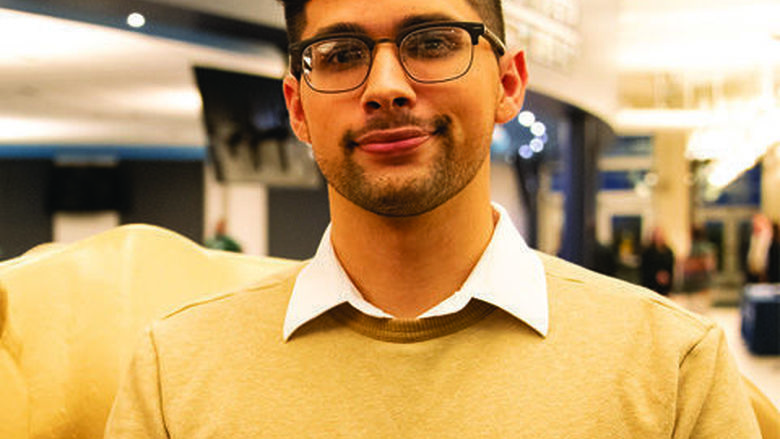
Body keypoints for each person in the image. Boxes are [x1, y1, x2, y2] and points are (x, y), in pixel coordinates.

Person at [104, 0, 761, 437]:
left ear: (508, 84)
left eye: (434, 42)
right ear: (297, 109)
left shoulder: (672, 366)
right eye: (339, 53)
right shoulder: (176, 372)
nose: (386, 85)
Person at [640, 227, 675, 295]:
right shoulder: (648, 252)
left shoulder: (668, 251)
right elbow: (645, 270)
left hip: (665, 286)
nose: (659, 237)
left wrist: (666, 277)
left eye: (660, 235)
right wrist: (656, 276)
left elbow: (670, 268)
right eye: (657, 235)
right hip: (651, 285)